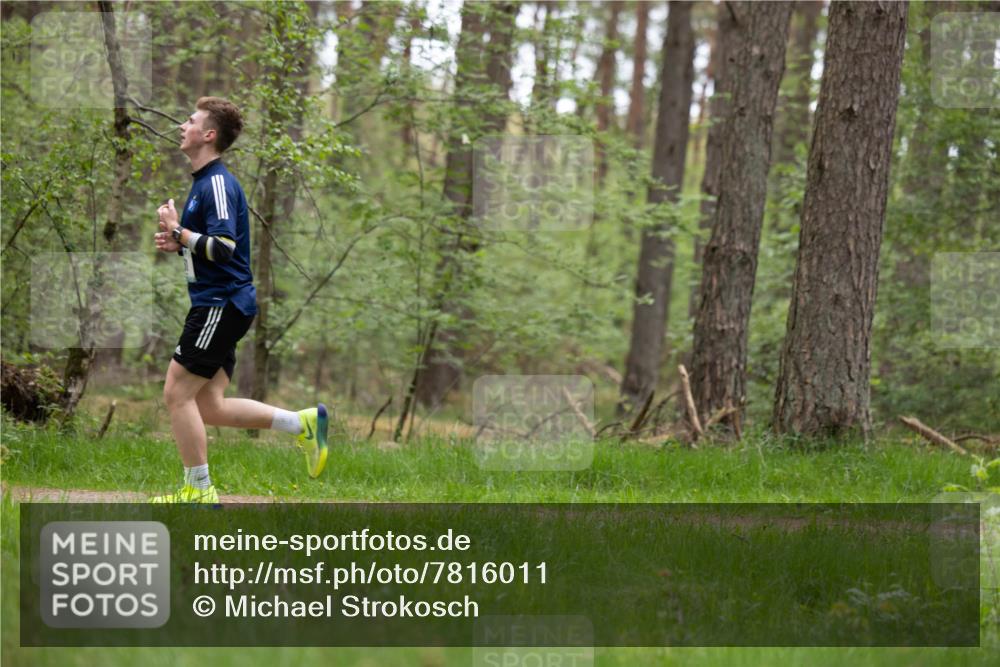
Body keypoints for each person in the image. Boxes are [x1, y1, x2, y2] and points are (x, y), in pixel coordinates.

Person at [151, 96, 327, 504]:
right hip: (222, 302)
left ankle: (198, 492)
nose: (182, 125)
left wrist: (180, 233)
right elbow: (207, 247)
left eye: (190, 120)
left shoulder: (216, 182)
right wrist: (177, 242)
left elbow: (225, 248)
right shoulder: (202, 184)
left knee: (177, 394)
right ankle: (303, 424)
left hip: (221, 303)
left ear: (208, 134)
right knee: (207, 404)